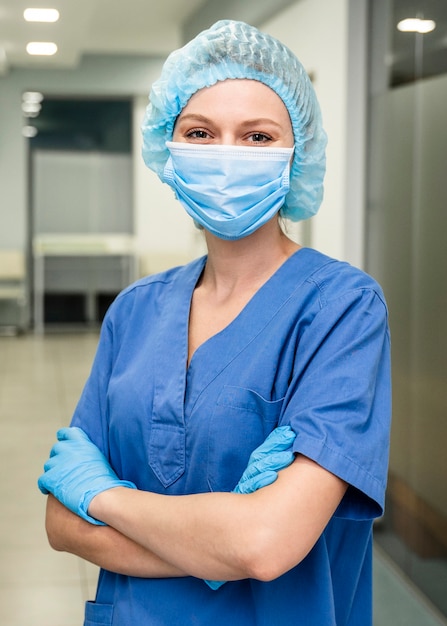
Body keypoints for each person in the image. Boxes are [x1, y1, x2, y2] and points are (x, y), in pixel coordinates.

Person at [38, 19, 391, 626]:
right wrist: (223, 535)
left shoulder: (343, 308)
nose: (226, 154)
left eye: (257, 137)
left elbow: (265, 544)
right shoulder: (135, 310)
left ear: (295, 153)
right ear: (168, 151)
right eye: (200, 132)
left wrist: (104, 496)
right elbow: (62, 525)